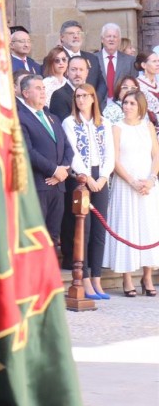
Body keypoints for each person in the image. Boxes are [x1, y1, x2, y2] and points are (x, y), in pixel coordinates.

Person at [62, 83, 114, 299]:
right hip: (81, 178)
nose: (81, 100)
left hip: (100, 176)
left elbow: (110, 153)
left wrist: (102, 177)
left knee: (100, 230)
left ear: (93, 98)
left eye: (85, 96)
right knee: (84, 228)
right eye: (77, 96)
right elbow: (73, 153)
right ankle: (83, 279)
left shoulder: (105, 123)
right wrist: (88, 178)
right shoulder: (69, 123)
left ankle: (97, 278)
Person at [104, 90, 159, 295]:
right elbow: (115, 159)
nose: (127, 107)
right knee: (126, 227)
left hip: (148, 185)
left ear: (140, 107)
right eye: (125, 103)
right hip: (126, 184)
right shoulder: (117, 128)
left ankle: (147, 277)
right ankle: (127, 278)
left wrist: (151, 179)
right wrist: (132, 181)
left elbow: (156, 155)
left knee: (148, 228)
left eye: (132, 104)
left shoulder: (148, 127)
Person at [16, 74, 73, 256]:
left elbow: (68, 148)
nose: (43, 91)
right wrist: (54, 170)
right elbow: (28, 151)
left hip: (57, 186)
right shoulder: (20, 118)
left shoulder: (53, 117)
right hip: (37, 185)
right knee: (36, 237)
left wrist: (62, 171)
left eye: (43, 88)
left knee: (53, 236)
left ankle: (51, 280)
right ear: (25, 93)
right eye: (38, 88)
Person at [94, 23, 135, 102]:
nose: (111, 39)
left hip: (122, 105)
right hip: (98, 105)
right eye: (108, 36)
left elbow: (134, 86)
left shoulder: (130, 61)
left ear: (119, 40)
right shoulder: (92, 59)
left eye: (115, 36)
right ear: (102, 39)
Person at [48, 55, 92, 122]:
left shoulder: (91, 93)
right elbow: (63, 125)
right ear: (67, 71)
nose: (78, 74)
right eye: (73, 70)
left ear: (87, 73)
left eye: (81, 70)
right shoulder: (59, 95)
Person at [136, 50, 159, 127]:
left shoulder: (157, 84)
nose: (158, 64)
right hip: (146, 127)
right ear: (144, 65)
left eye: (158, 61)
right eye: (154, 61)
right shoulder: (137, 85)